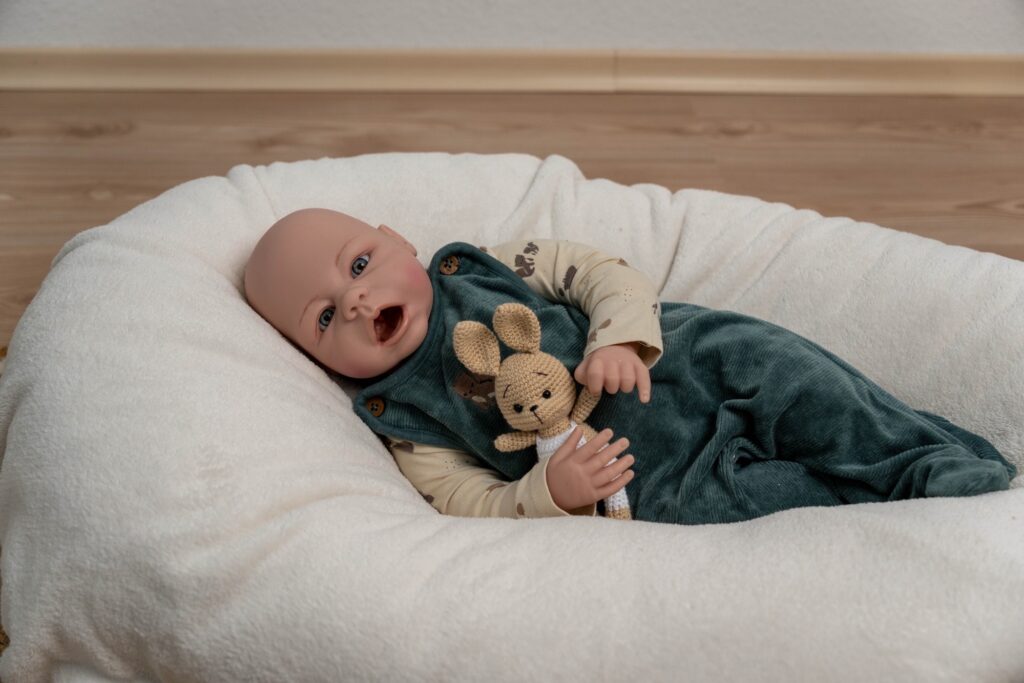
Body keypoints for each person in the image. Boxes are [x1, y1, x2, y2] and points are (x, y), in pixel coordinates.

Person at [243, 207, 1015, 524]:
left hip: (691, 358)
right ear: (315, 357)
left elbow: (599, 273)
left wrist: (616, 339)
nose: (355, 300)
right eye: (323, 317)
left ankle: (930, 460)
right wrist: (548, 492)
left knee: (813, 393)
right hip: (654, 479)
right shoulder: (404, 421)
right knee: (782, 504)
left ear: (397, 240)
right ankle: (901, 511)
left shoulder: (484, 265)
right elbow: (466, 499)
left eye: (360, 262)